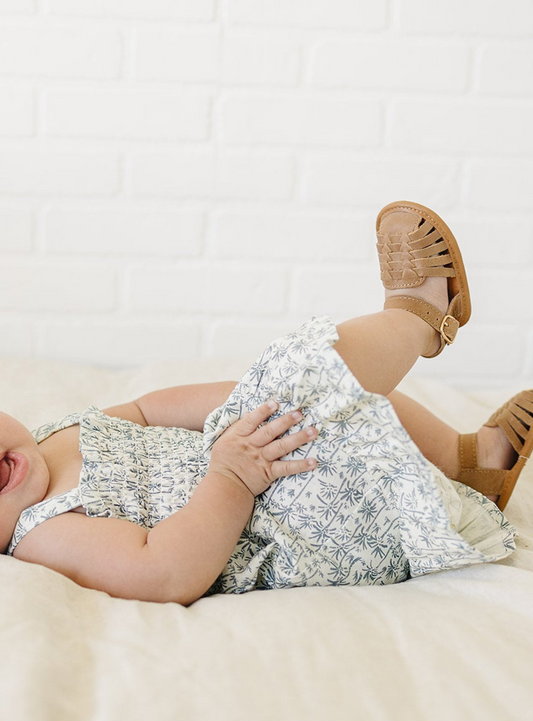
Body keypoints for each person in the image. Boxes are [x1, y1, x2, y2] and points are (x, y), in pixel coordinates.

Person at [1, 201, 531, 606]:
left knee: (336, 392)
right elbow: (161, 571)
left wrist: (248, 400)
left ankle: (472, 460)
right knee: (323, 387)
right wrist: (232, 479)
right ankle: (420, 321)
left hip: (261, 456)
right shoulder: (45, 535)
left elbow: (147, 410)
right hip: (284, 523)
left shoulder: (56, 436)